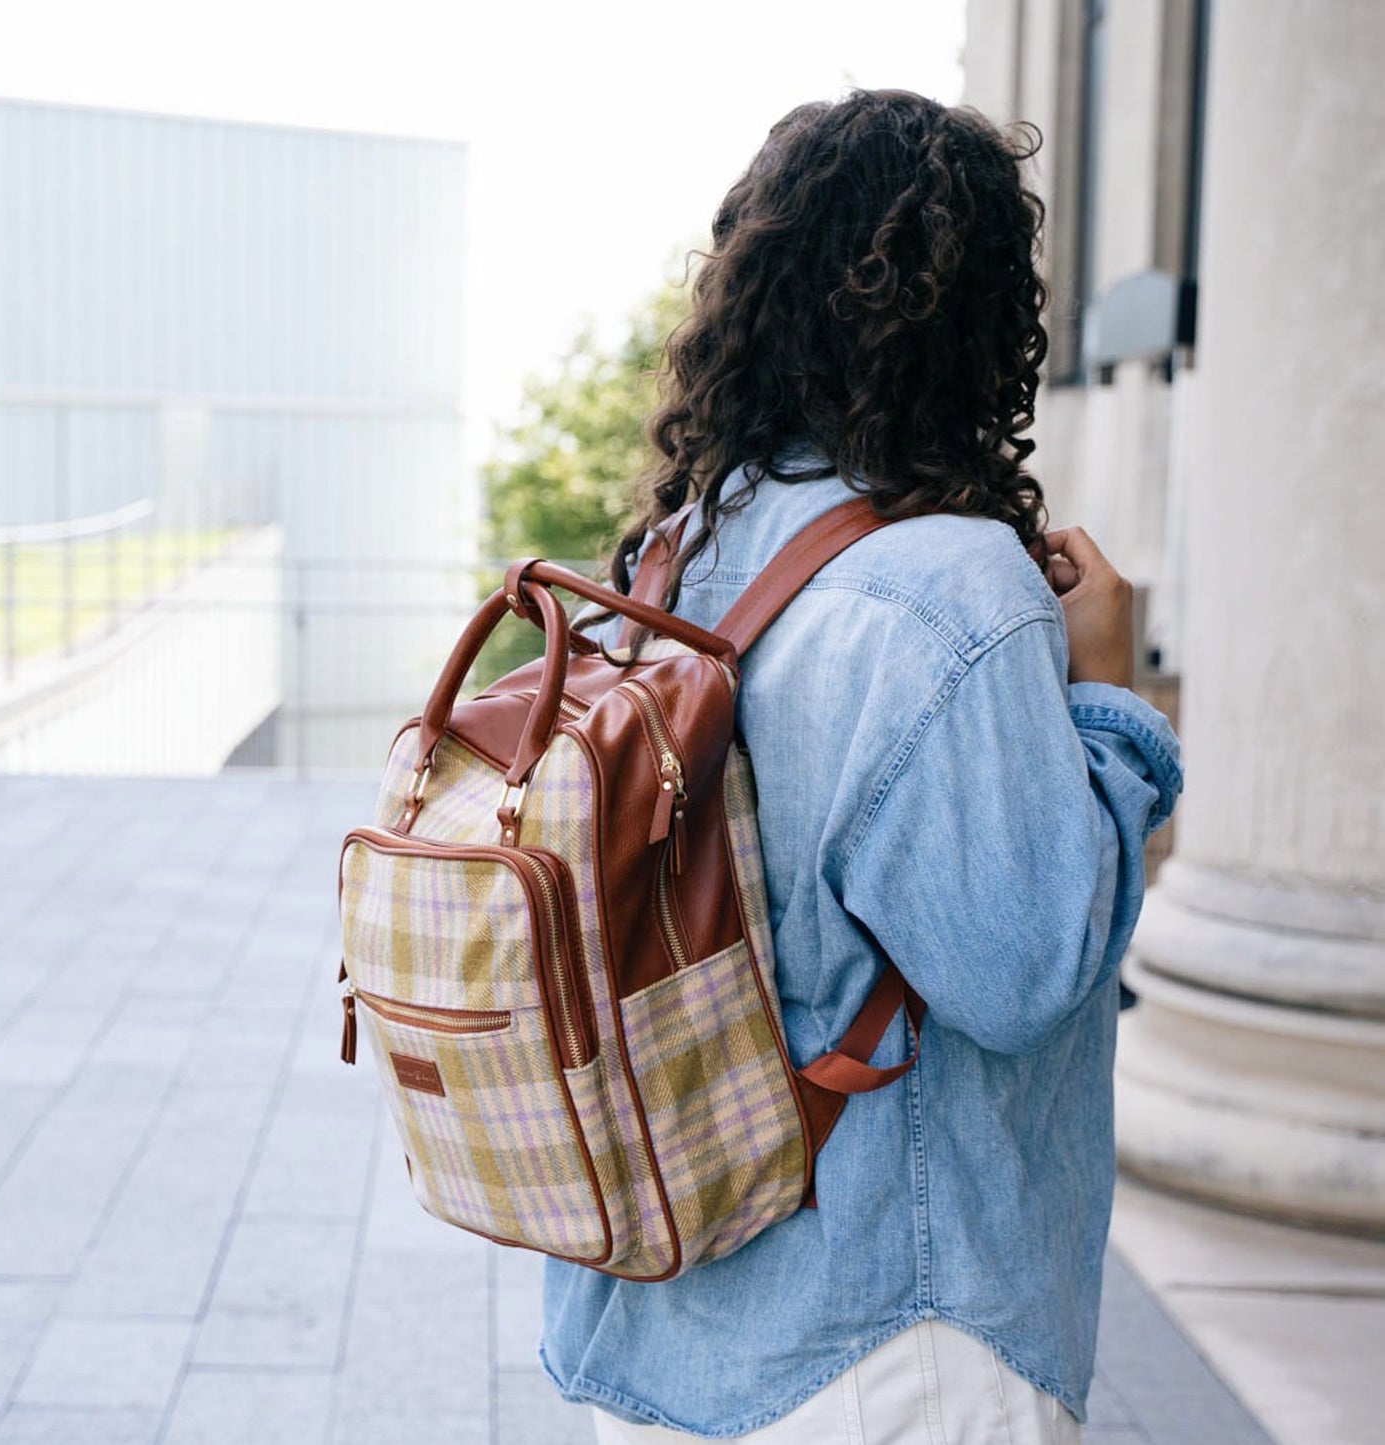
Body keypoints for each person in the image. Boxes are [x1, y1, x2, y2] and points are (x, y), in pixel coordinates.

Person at [539, 89, 1183, 1444]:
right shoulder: (948, 587)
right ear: (984, 324)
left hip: (659, 1312)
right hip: (886, 1336)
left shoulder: (671, 557)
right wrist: (1109, 703)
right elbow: (1015, 972)